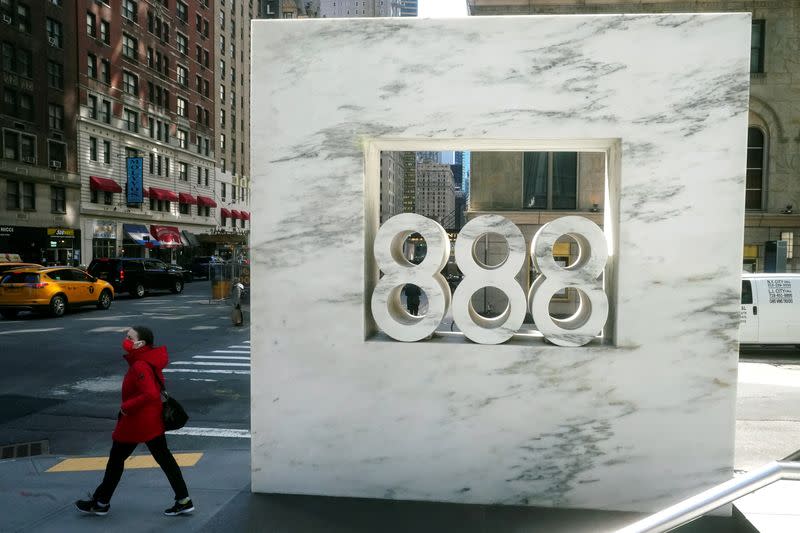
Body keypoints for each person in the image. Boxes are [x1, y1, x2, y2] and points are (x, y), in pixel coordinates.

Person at [75, 326, 194, 517]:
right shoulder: (147, 359)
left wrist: (126, 407)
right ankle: (184, 500)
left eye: (130, 337)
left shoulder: (140, 365)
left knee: (116, 460)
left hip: (138, 422)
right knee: (164, 459)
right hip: (151, 420)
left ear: (141, 343)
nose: (126, 339)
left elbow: (150, 393)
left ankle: (101, 502)